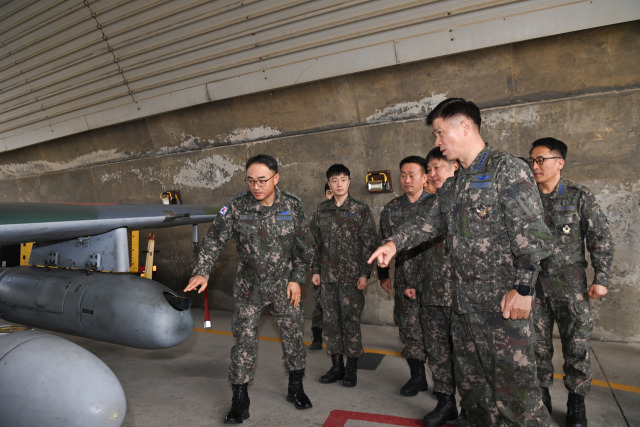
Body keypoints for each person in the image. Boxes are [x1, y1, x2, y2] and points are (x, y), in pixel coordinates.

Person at [368, 98, 553, 426]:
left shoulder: (506, 169)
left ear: (464, 127)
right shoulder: (455, 184)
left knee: (517, 400)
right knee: (474, 395)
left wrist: (524, 287)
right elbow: (430, 221)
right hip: (463, 307)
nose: (437, 142)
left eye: (440, 133)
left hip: (503, 308)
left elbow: (534, 236)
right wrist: (394, 244)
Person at [184, 154, 314, 424]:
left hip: (284, 287)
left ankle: (296, 386)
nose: (256, 186)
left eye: (262, 181)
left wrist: (296, 278)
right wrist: (202, 271)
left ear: (276, 179)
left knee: (292, 338)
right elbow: (213, 240)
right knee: (243, 344)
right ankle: (240, 400)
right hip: (248, 289)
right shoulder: (235, 207)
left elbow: (306, 247)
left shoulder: (292, 205)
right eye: (251, 181)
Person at [528, 137, 614, 427]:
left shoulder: (579, 196)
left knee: (576, 347)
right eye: (532, 160)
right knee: (537, 347)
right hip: (535, 286)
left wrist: (601, 277)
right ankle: (542, 397)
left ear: (559, 163)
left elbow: (600, 237)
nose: (535, 166)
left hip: (571, 287)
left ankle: (576, 402)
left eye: (541, 160)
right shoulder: (526, 199)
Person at [404, 147, 464, 426]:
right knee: (438, 353)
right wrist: (413, 282)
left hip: (464, 296)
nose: (432, 174)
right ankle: (446, 403)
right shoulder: (428, 205)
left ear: (456, 167)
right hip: (431, 292)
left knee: (467, 356)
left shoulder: (468, 201)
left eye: (438, 167)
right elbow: (415, 248)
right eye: (429, 169)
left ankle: (473, 410)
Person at [310, 164, 379, 387]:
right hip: (327, 279)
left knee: (351, 323)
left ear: (349, 182)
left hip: (352, 280)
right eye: (334, 180)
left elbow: (369, 244)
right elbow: (315, 244)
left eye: (343, 179)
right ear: (328, 184)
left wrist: (364, 274)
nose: (338, 184)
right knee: (331, 324)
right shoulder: (321, 211)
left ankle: (351, 369)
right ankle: (336, 365)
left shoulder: (361, 210)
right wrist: (316, 271)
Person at [378, 156, 431, 396]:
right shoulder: (391, 209)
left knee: (439, 334)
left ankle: (445, 386)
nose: (407, 180)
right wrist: (383, 275)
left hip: (435, 282)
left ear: (425, 177)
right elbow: (383, 244)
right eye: (403, 175)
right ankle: (417, 377)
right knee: (410, 331)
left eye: (412, 174)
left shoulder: (436, 206)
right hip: (404, 279)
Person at [309, 183, 333, 350]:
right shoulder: (318, 215)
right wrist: (312, 265)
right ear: (325, 194)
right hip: (322, 270)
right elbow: (310, 243)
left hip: (343, 272)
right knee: (319, 306)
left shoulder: (350, 214)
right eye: (329, 192)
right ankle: (317, 338)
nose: (331, 196)